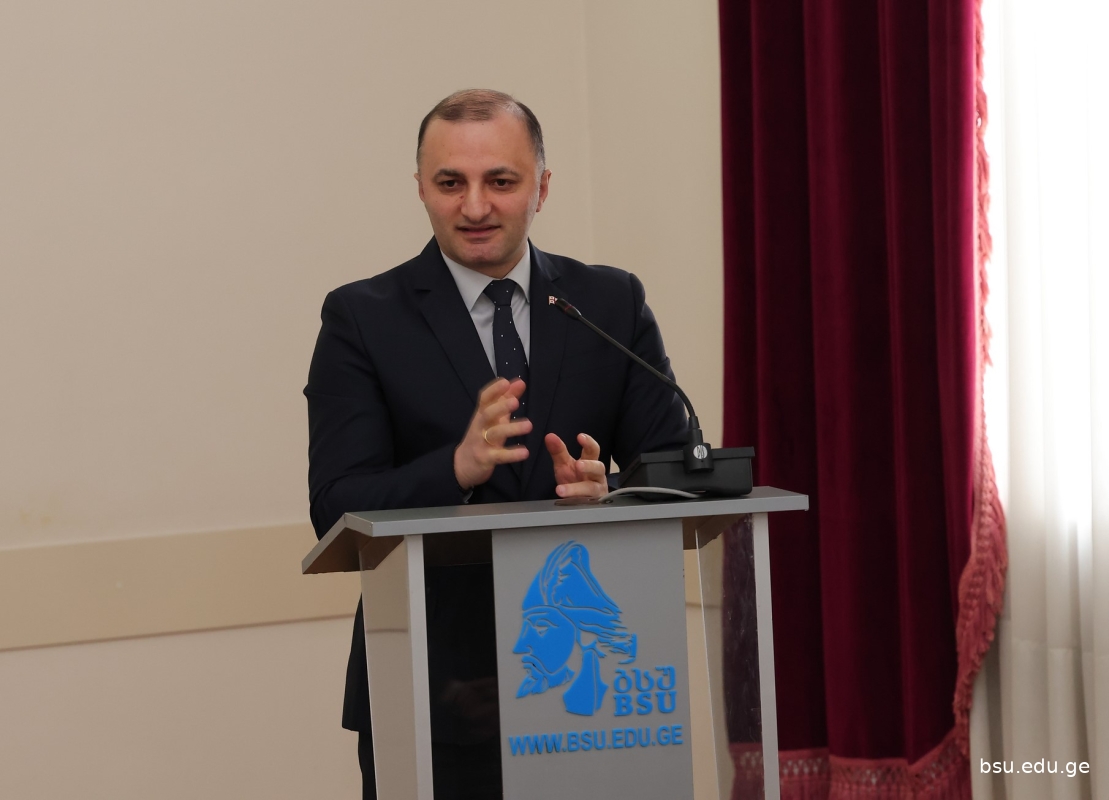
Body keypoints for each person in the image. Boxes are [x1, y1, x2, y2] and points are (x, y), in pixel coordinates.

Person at [304, 89, 688, 800]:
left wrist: (609, 493)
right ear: (421, 189)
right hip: (435, 692)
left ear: (541, 187)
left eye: (501, 181)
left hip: (598, 698)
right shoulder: (361, 317)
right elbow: (335, 506)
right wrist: (454, 468)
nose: (475, 206)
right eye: (451, 182)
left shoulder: (609, 302)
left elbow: (678, 468)